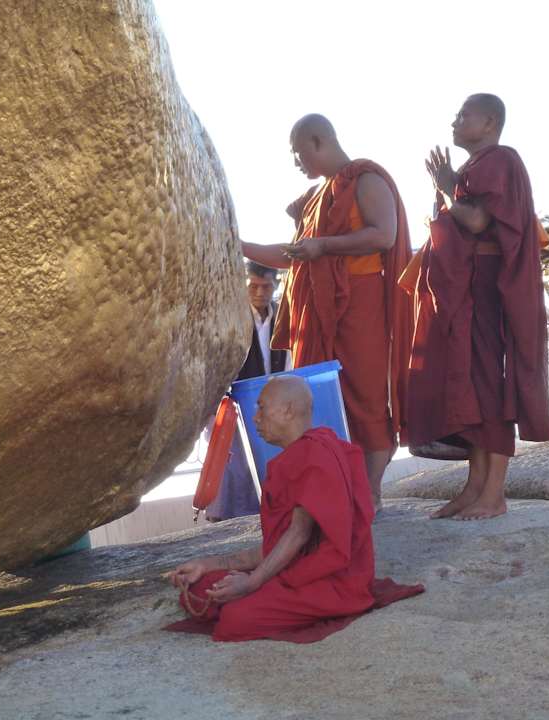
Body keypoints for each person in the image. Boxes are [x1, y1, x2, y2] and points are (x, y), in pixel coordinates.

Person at [167, 375, 422, 642]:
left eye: (262, 407)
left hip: (330, 581)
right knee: (200, 587)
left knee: (235, 618)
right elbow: (277, 544)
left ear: (288, 410)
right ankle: (253, 592)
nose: (255, 418)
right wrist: (207, 564)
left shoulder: (318, 455)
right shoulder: (297, 456)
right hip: (294, 565)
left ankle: (274, 599)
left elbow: (299, 533)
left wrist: (252, 583)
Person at [242, 115, 414, 511]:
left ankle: (371, 493)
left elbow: (383, 234)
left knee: (367, 397)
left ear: (317, 141)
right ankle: (341, 490)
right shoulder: (317, 197)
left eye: (297, 152)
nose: (296, 162)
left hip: (362, 303)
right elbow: (295, 254)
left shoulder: (365, 179)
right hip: (323, 310)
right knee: (322, 399)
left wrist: (324, 246)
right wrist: (242, 246)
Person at [406, 93, 549, 521]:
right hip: (465, 286)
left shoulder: (501, 160)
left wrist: (445, 185)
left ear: (490, 122)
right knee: (470, 383)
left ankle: (494, 493)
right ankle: (474, 487)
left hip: (488, 285)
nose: (454, 121)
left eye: (463, 115)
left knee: (489, 383)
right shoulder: (472, 168)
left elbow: (475, 220)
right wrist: (450, 182)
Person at [204, 262, 289, 522]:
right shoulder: (230, 316)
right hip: (235, 402)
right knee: (234, 467)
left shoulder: (283, 316)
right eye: (254, 286)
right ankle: (227, 520)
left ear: (275, 285)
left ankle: (269, 514)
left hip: (271, 401)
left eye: (266, 286)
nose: (260, 292)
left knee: (270, 461)